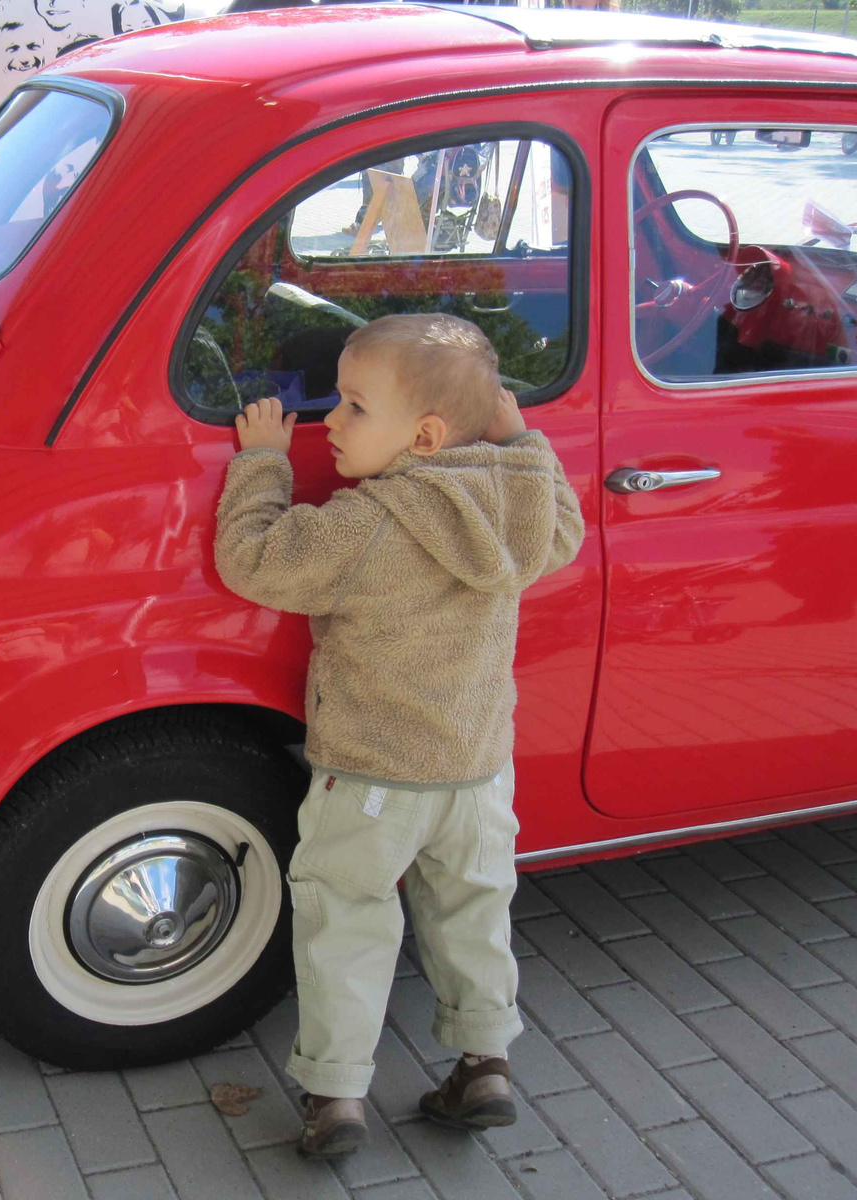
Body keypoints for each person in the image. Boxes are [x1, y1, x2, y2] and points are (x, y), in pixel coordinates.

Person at [213, 314, 584, 1157]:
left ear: (421, 436)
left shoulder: (369, 525)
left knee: (346, 919)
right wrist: (520, 438)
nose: (331, 422)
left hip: (372, 777)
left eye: (351, 406)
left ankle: (337, 1098)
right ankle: (485, 1064)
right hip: (478, 770)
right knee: (473, 910)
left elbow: (256, 561)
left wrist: (263, 463)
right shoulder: (515, 513)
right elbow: (560, 524)